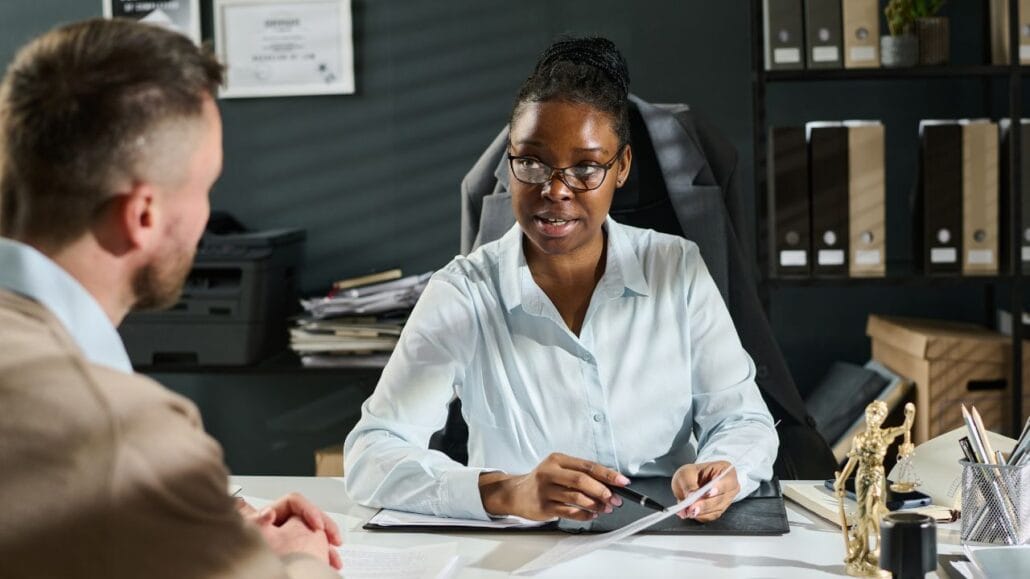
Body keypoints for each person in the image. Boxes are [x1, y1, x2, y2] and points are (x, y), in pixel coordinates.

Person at [345, 36, 778, 524]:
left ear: (622, 168)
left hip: (666, 541)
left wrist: (723, 470)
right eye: (531, 163)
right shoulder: (464, 292)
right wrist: (507, 490)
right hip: (523, 552)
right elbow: (371, 453)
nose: (554, 190)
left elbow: (743, 418)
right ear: (509, 161)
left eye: (586, 168)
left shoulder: (675, 266)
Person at [0, 19, 341, 578]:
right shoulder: (122, 427)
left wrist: (204, 519)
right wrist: (295, 562)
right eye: (206, 188)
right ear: (143, 216)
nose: (208, 215)